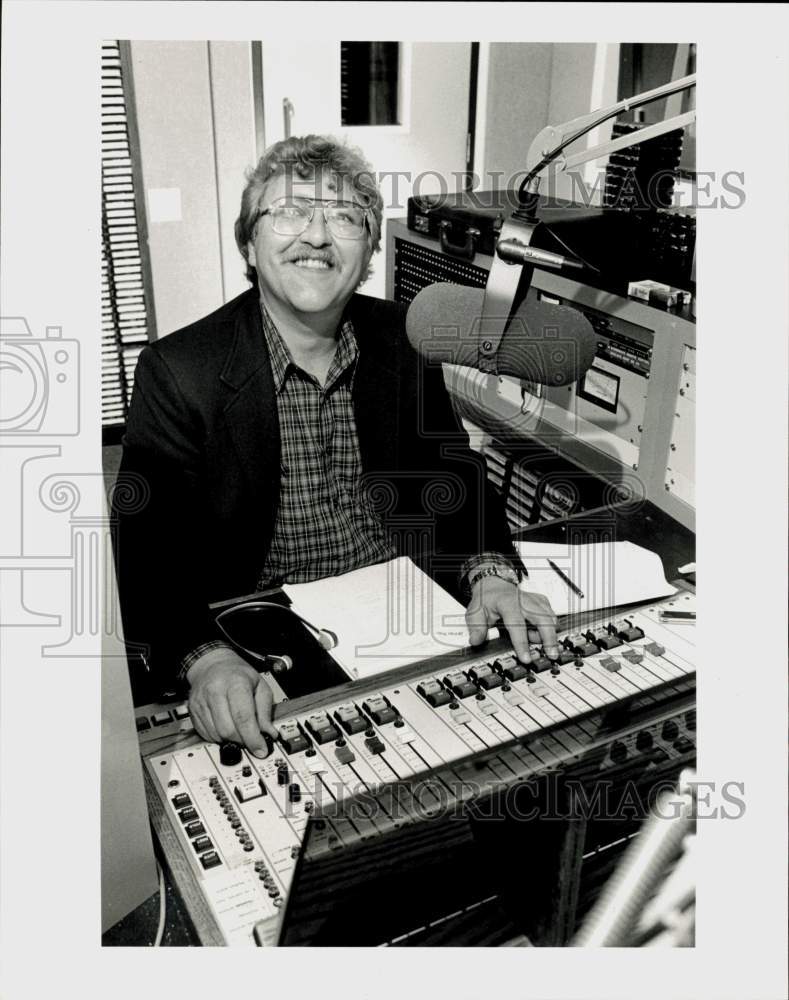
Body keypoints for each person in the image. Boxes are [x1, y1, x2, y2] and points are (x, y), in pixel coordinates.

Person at [113, 134, 558, 758]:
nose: (317, 237)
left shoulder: (403, 342)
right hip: (263, 640)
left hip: (407, 618)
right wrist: (204, 659)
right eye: (289, 212)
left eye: (345, 218)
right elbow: (144, 552)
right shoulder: (179, 370)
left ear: (371, 250)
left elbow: (456, 479)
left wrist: (489, 572)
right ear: (249, 241)